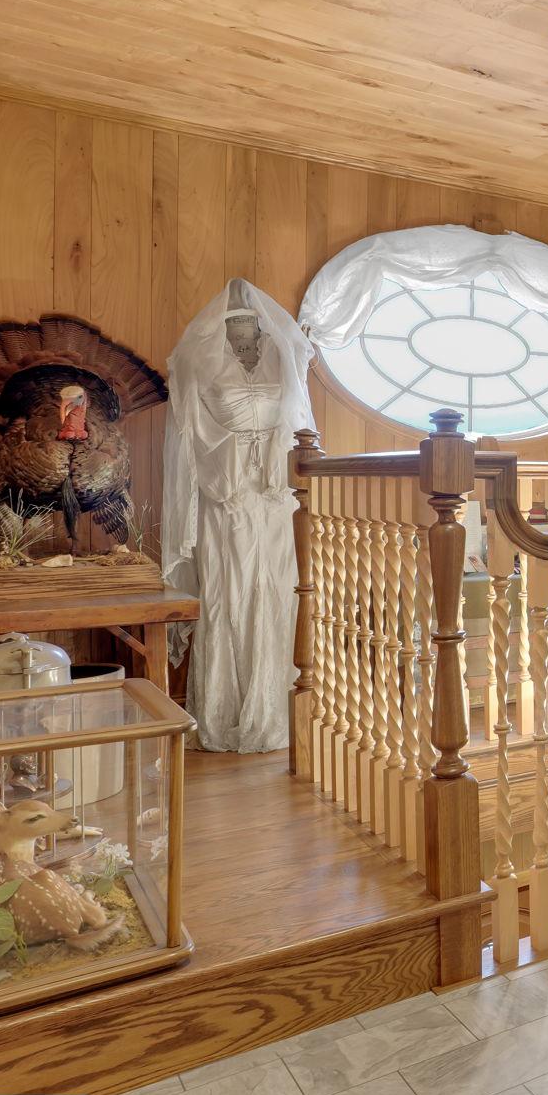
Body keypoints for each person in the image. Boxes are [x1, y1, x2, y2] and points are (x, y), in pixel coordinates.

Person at [162, 280, 315, 752]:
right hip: (224, 496)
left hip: (275, 498)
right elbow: (189, 436)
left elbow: (298, 424)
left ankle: (278, 709)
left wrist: (276, 462)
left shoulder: (285, 353)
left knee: (277, 590)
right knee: (229, 592)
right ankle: (225, 711)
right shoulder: (196, 359)